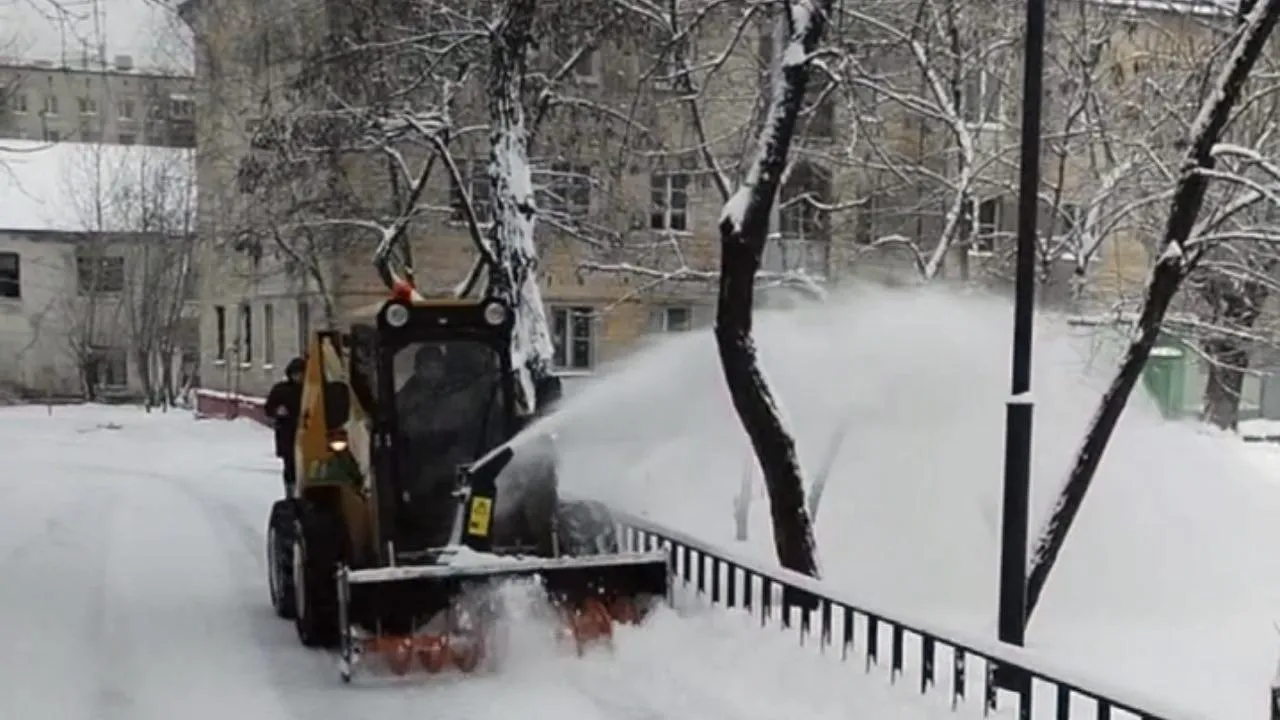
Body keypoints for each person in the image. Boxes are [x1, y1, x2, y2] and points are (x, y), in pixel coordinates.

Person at [264, 357, 305, 496]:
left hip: (308, 432)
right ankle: (291, 493)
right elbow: (268, 408)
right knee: (290, 465)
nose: (299, 377)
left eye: (301, 373)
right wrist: (277, 411)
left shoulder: (311, 390)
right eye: (296, 374)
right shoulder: (281, 389)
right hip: (288, 433)